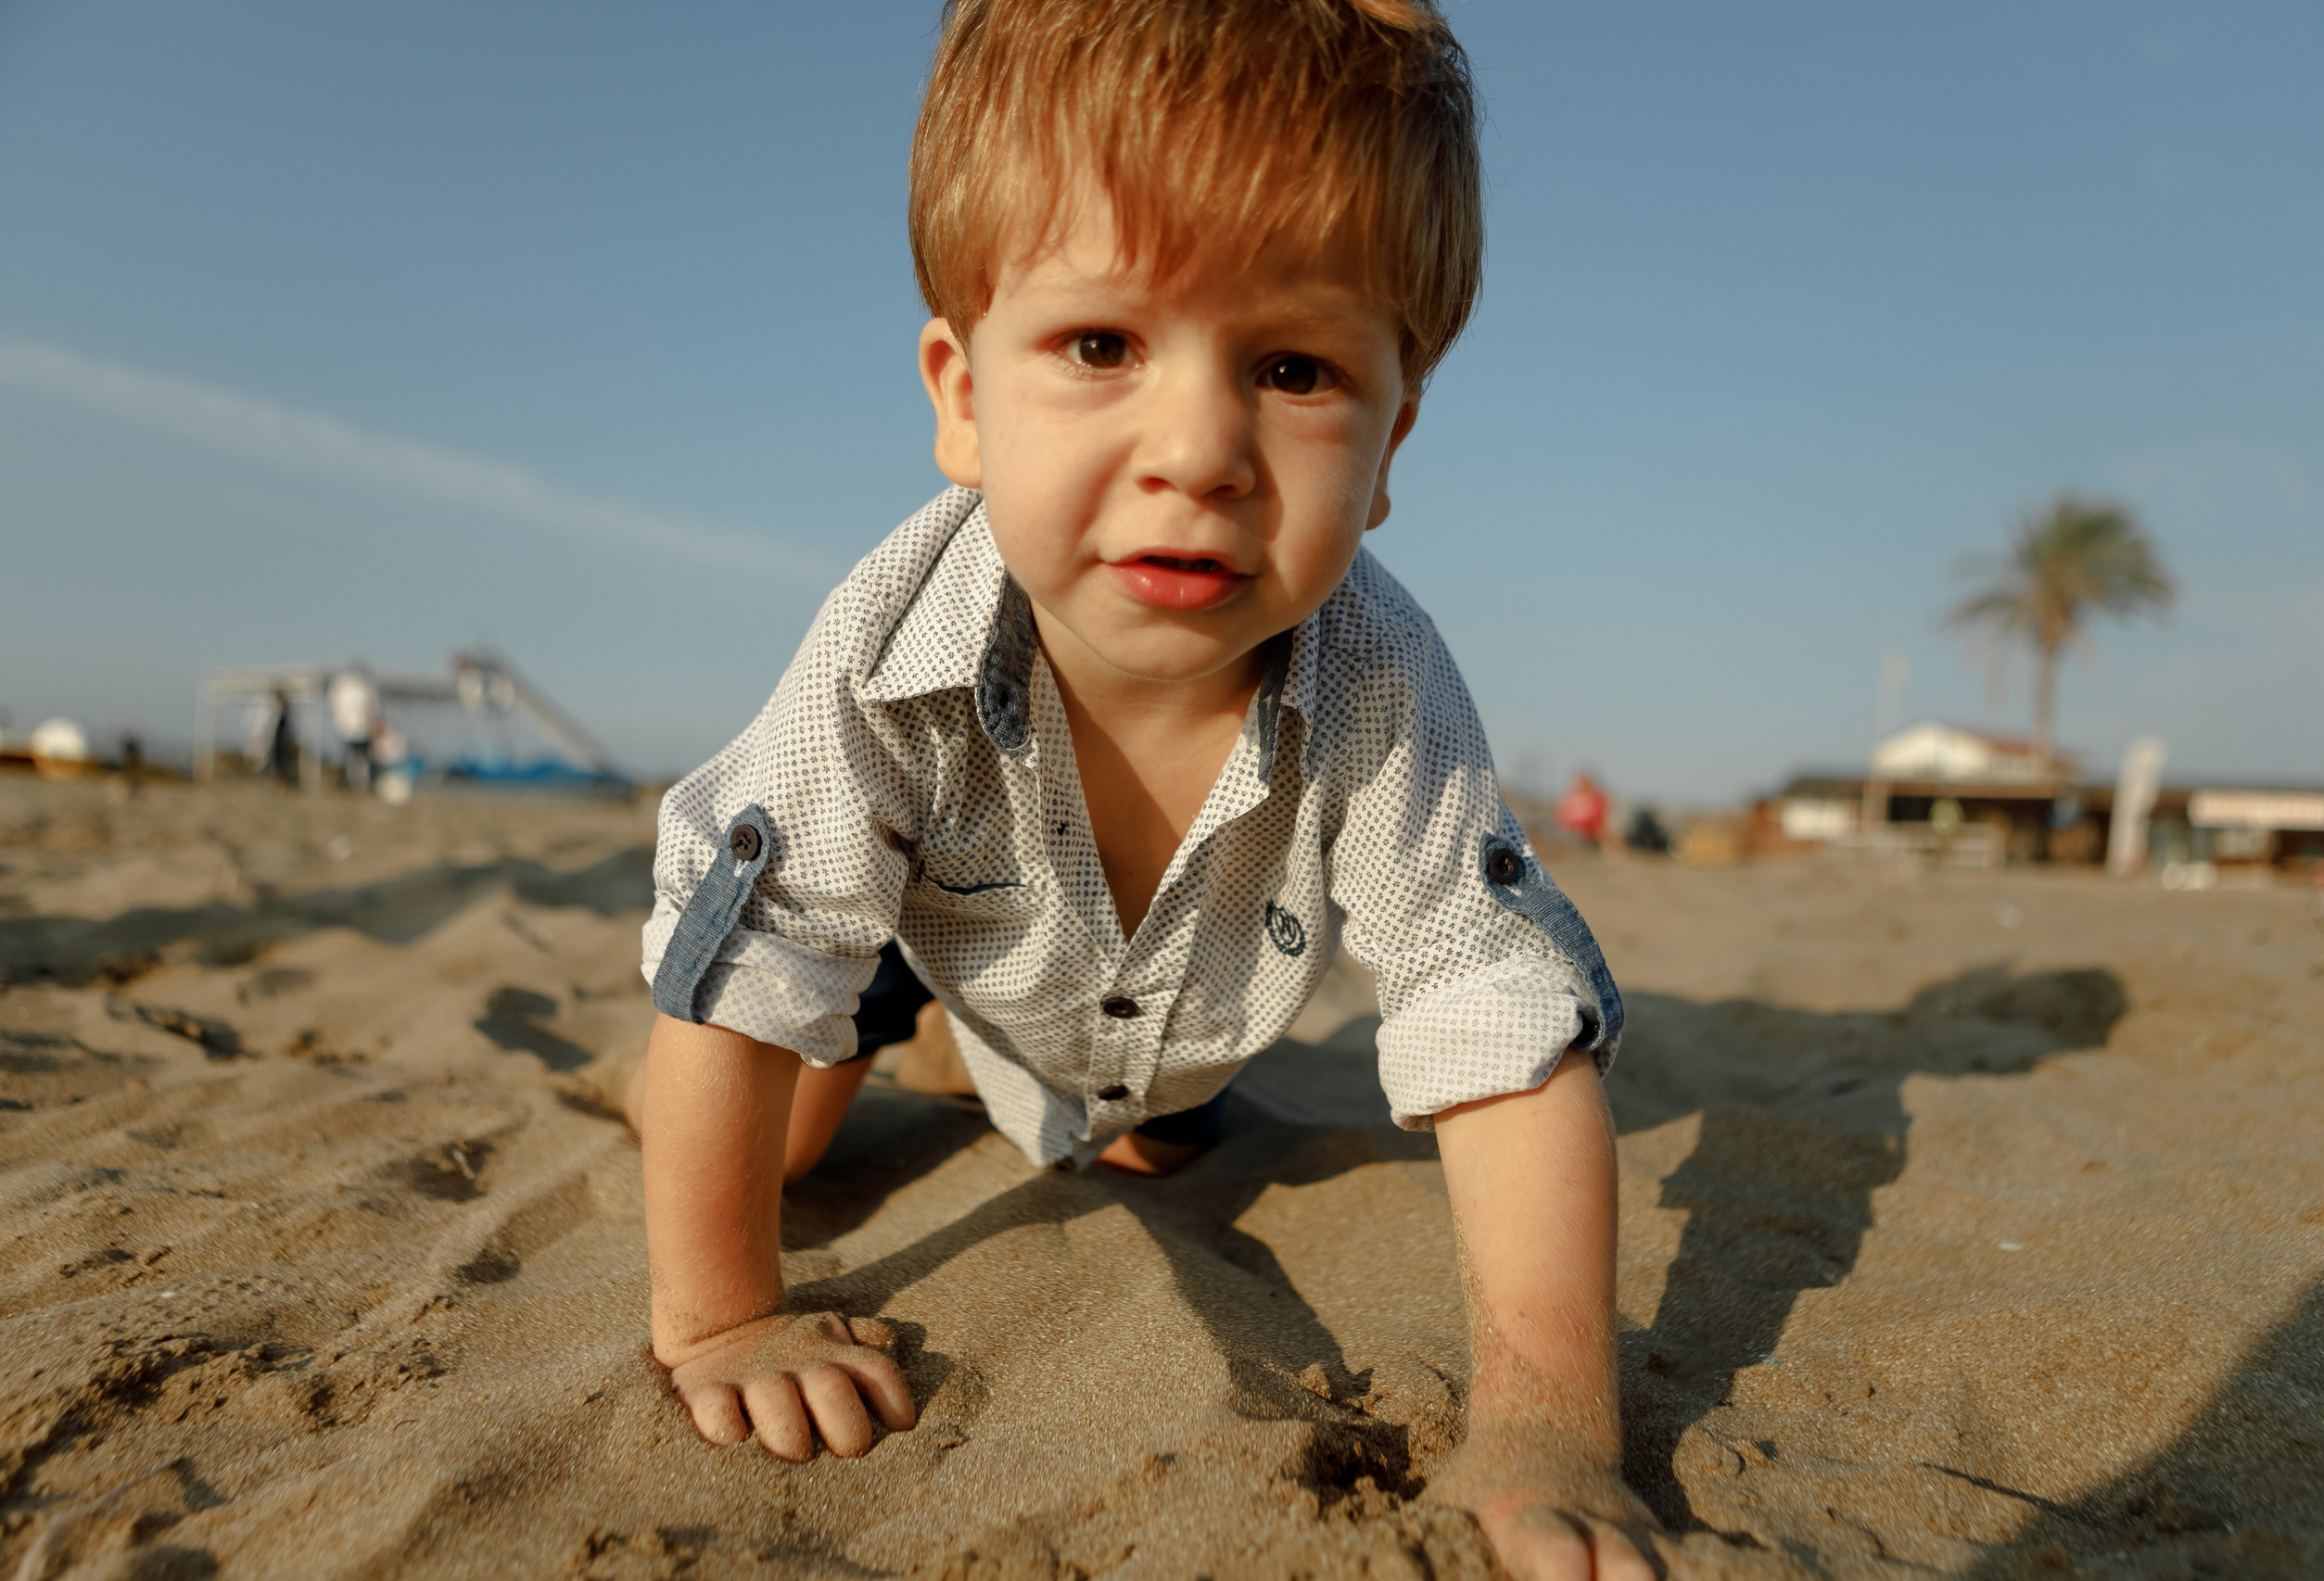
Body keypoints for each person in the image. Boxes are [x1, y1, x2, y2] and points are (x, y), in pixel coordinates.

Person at [626, 5, 1653, 1575]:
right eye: (1102, 345)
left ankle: (1026, 1082)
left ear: (1390, 444)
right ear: (964, 395)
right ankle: (914, 1053)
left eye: (1294, 367)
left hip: (1181, 1020)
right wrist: (723, 1318)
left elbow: (1498, 1030)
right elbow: (746, 965)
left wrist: (1549, 1423)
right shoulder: (885, 649)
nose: (1201, 447)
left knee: (1153, 1135)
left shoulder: (1385, 687)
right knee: (772, 1132)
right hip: (919, 928)